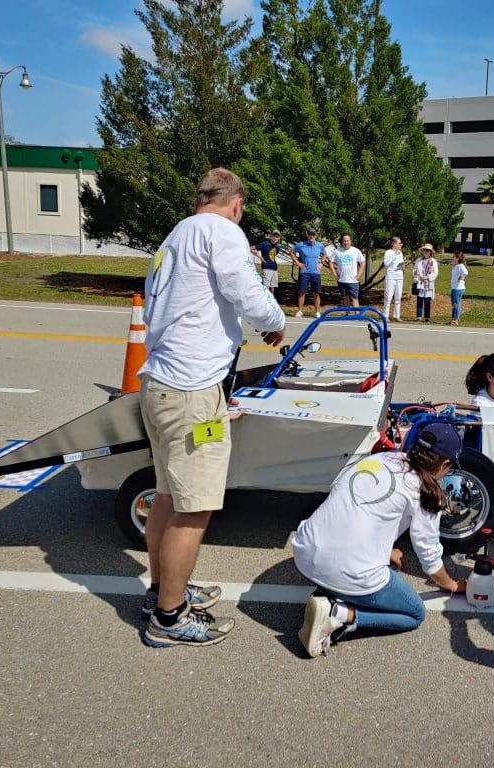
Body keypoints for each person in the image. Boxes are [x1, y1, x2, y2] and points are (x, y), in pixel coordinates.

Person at [138, 167, 286, 647]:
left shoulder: (176, 236)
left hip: (162, 385)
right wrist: (276, 321)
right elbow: (250, 296)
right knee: (194, 507)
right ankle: (168, 617)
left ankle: (163, 588)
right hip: (191, 391)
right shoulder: (223, 232)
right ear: (236, 203)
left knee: (166, 494)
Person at [293, 423, 468, 657]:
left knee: (351, 566)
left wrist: (386, 550)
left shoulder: (383, 458)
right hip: (347, 570)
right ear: (445, 464)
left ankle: (330, 591)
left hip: (304, 551)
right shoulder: (426, 492)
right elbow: (430, 559)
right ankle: (338, 613)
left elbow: (357, 508)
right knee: (415, 614)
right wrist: (452, 585)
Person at [292, 227, 326, 318]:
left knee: (316, 293)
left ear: (316, 235)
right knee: (302, 292)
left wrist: (321, 263)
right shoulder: (301, 245)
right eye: (310, 234)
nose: (311, 236)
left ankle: (317, 312)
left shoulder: (320, 245)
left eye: (313, 234)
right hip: (304, 272)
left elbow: (325, 254)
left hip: (316, 273)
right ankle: (299, 311)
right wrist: (298, 263)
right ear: (307, 235)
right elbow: (291, 252)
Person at [329, 233, 366, 308]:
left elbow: (363, 262)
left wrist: (358, 275)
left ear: (350, 241)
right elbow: (330, 261)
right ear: (342, 242)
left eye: (348, 241)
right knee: (345, 298)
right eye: (344, 241)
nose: (346, 242)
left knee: (354, 298)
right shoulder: (337, 251)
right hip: (342, 280)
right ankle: (347, 315)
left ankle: (357, 316)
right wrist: (335, 274)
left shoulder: (355, 251)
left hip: (353, 281)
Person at [251, 228, 283, 296]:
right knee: (266, 287)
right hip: (266, 267)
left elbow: (273, 256)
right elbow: (251, 249)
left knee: (272, 288)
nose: (275, 238)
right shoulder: (264, 244)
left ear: (279, 238)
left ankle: (271, 303)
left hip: (274, 268)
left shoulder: (277, 247)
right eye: (274, 236)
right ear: (271, 236)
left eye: (277, 236)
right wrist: (260, 257)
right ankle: (265, 303)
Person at [382, 236, 406, 322]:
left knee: (398, 297)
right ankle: (385, 315)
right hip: (390, 277)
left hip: (399, 277)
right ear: (394, 244)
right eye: (399, 243)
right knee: (388, 297)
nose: (401, 245)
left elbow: (400, 263)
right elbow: (386, 263)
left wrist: (403, 266)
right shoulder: (388, 252)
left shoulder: (400, 252)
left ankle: (397, 315)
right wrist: (394, 256)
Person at [414, 244, 439, 322]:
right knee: (419, 299)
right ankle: (419, 316)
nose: (425, 252)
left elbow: (436, 272)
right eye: (424, 250)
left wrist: (427, 277)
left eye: (427, 250)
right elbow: (414, 270)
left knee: (427, 299)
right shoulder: (419, 260)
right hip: (420, 282)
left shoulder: (433, 261)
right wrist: (417, 276)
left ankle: (427, 317)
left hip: (428, 282)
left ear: (430, 252)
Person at [450, 251, 468, 325]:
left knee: (456, 304)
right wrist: (453, 264)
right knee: (455, 304)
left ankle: (455, 320)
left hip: (458, 289)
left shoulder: (460, 265)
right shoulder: (456, 265)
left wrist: (462, 277)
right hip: (454, 288)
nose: (452, 258)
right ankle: (454, 319)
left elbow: (466, 272)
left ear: (457, 258)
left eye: (454, 256)